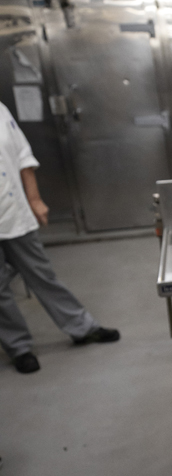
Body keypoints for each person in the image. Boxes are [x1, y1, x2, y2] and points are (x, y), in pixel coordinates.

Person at [0, 101, 119, 373]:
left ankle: (82, 328)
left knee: (43, 275)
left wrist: (34, 199)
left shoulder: (0, 110)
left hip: (15, 213)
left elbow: (23, 157)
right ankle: (19, 347)